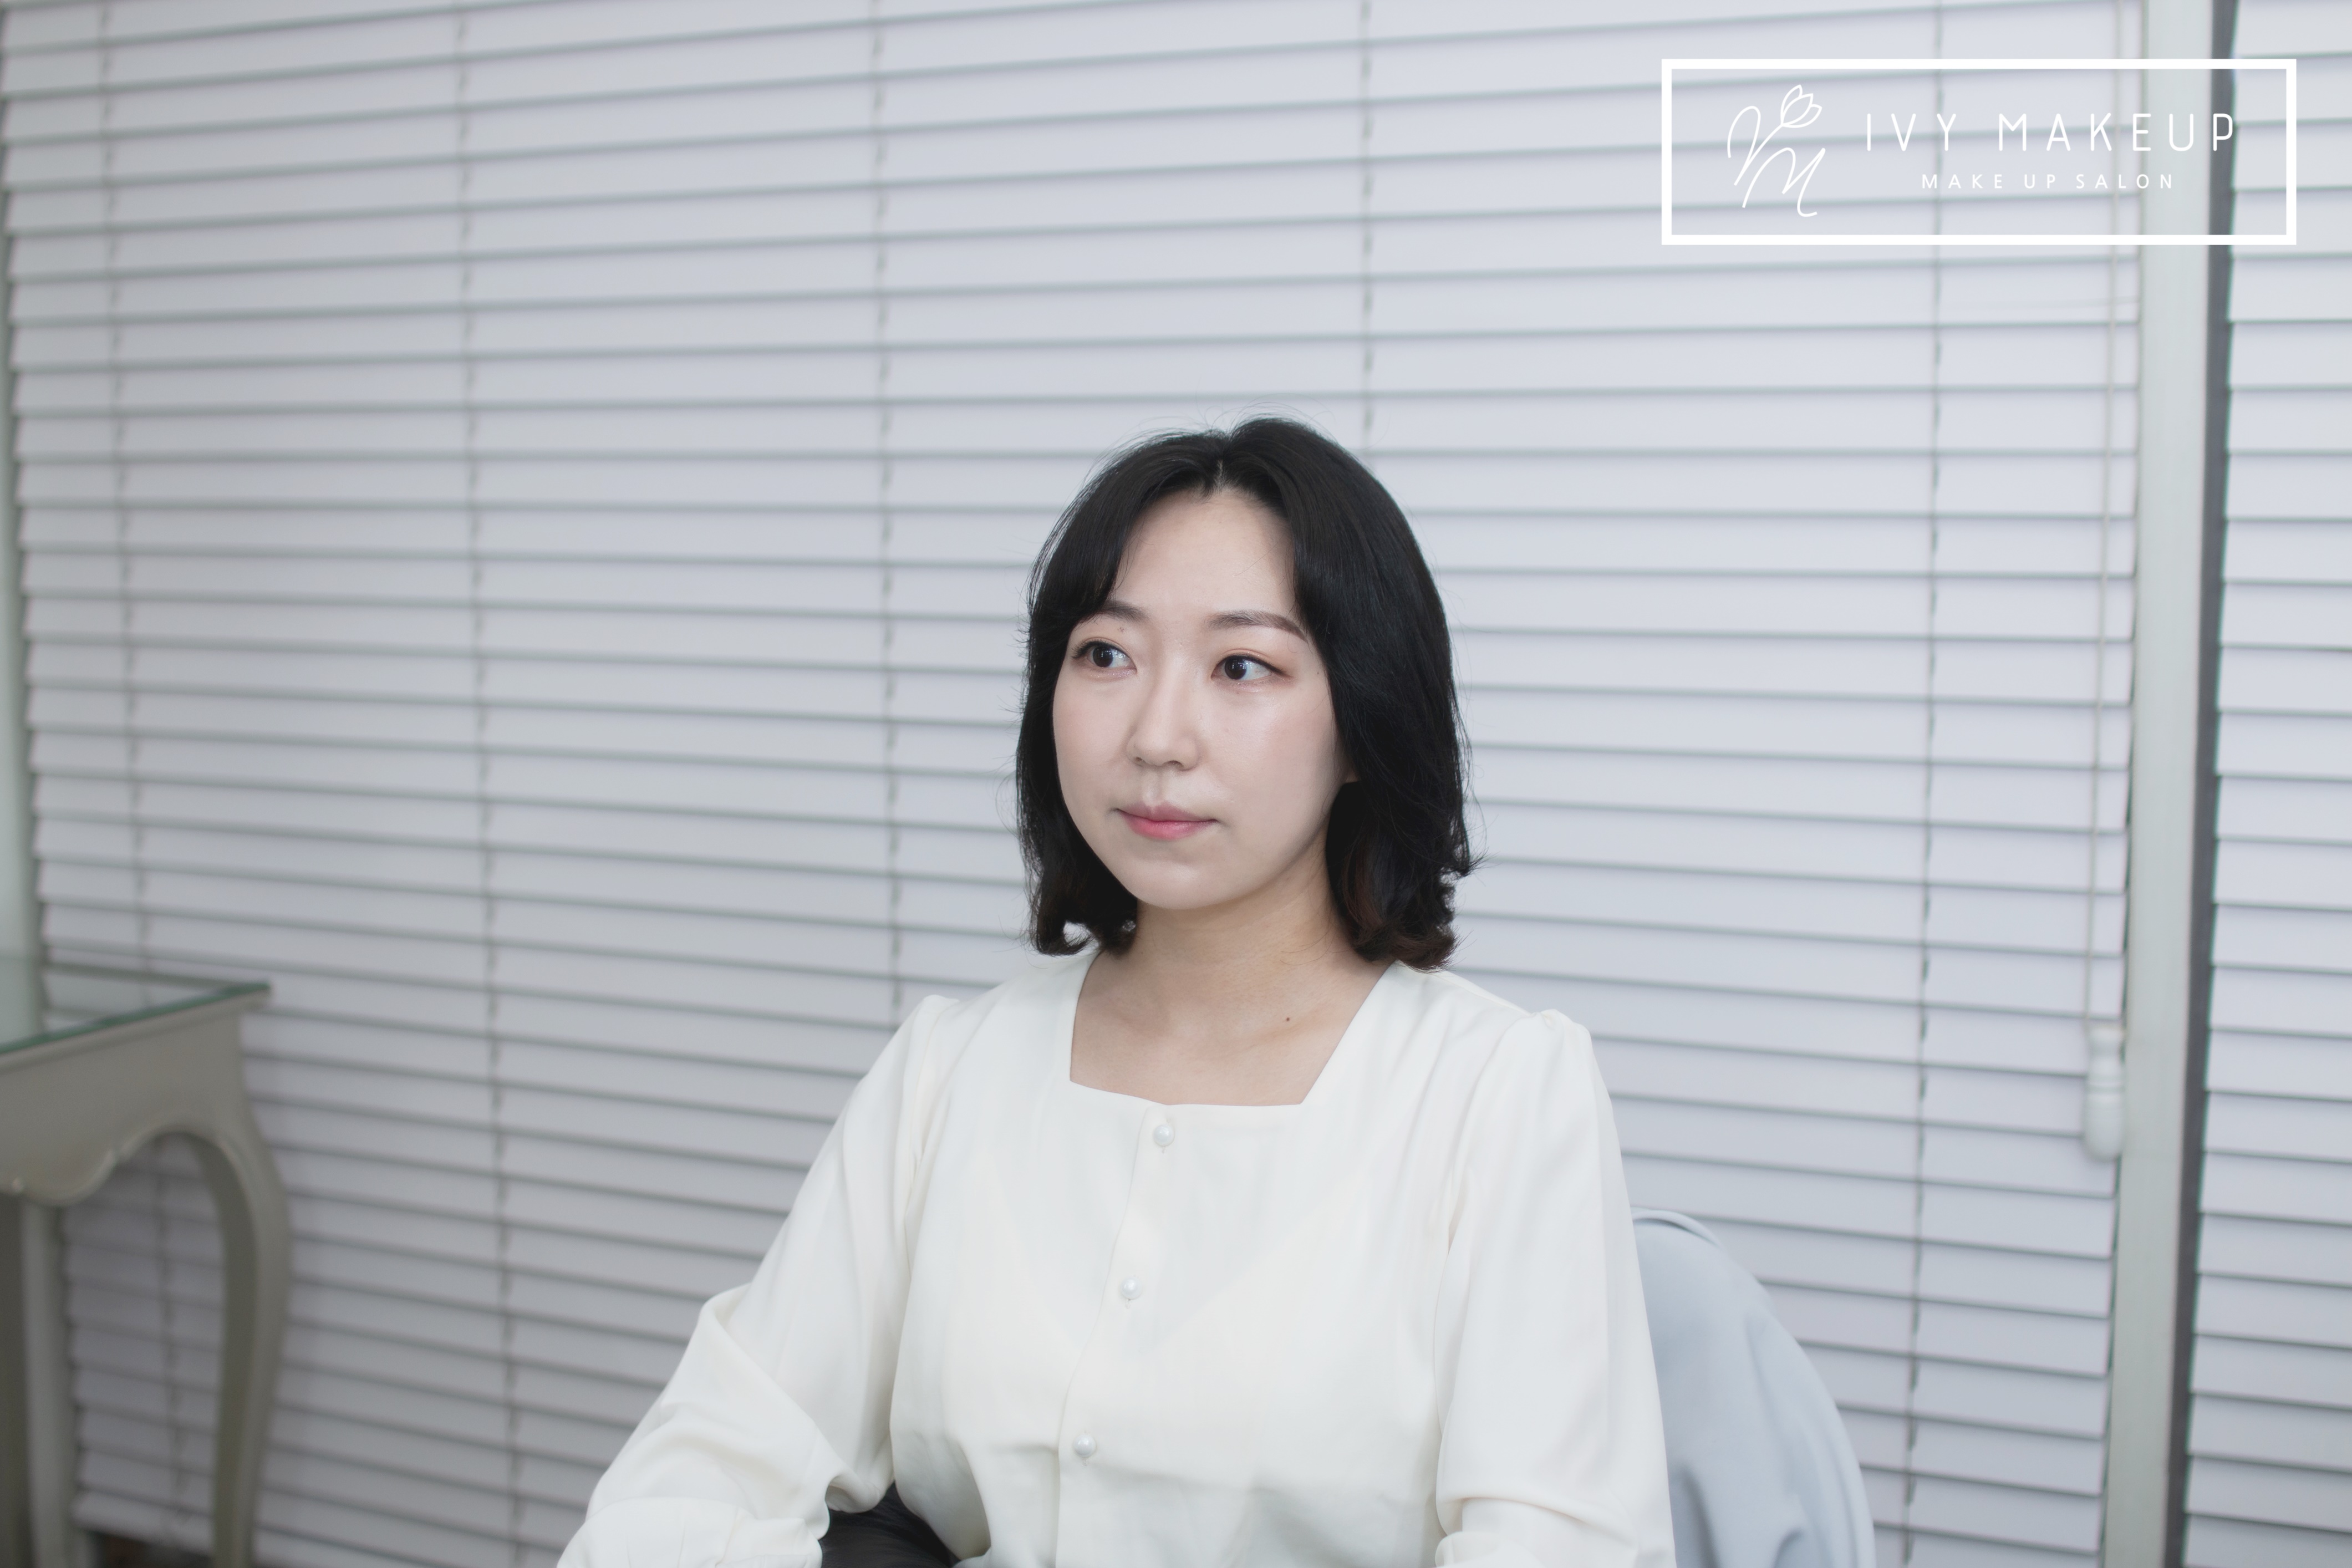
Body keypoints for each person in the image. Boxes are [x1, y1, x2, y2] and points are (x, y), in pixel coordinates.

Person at [557, 418, 1675, 1568]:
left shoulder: (1498, 1093)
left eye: (1242, 667)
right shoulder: (951, 1068)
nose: (1155, 737)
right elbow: (697, 1474)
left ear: (1362, 721)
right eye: (1105, 655)